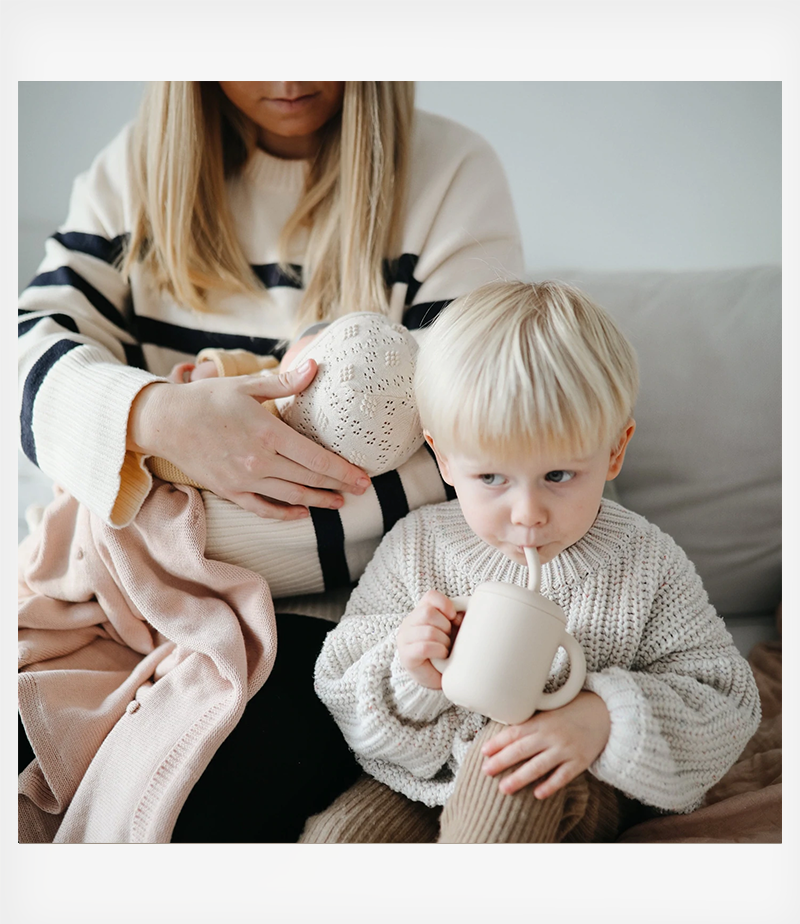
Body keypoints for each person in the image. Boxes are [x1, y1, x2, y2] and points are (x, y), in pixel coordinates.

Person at [17, 82, 524, 842]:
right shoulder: (135, 172)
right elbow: (27, 356)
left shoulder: (447, 172)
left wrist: (169, 504)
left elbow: (471, 446)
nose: (289, 74)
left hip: (330, 624)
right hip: (110, 601)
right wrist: (157, 417)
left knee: (202, 794)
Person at [300, 280, 762, 843]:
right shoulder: (417, 546)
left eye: (558, 475)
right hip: (421, 781)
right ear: (445, 460)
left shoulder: (645, 562)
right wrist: (411, 670)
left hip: (566, 781)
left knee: (506, 779)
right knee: (340, 837)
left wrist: (603, 718)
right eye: (491, 477)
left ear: (614, 451)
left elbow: (725, 700)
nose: (527, 514)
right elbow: (341, 685)